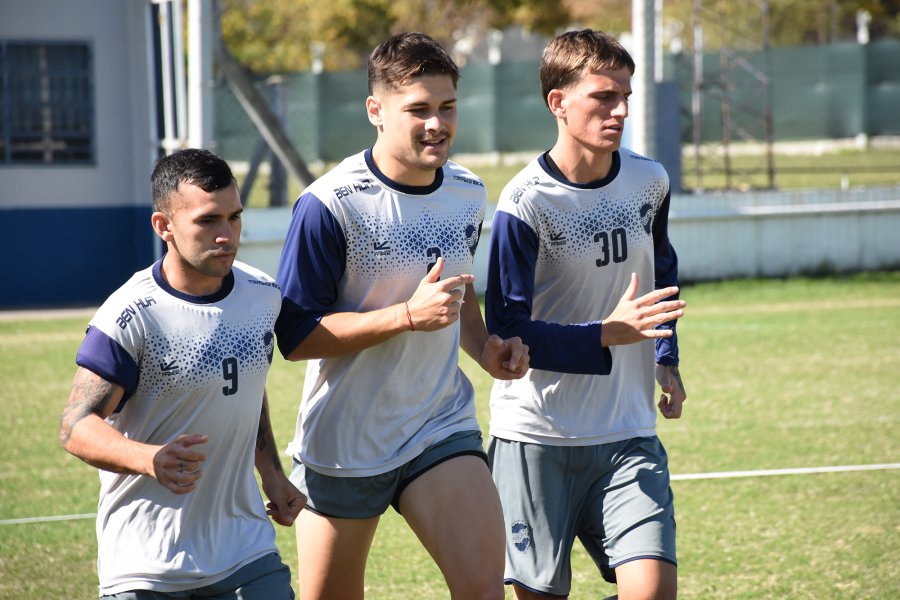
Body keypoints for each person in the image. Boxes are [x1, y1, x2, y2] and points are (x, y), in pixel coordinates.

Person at [273, 32, 529, 600]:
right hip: (344, 443)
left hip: (439, 424)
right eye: (418, 109)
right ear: (376, 111)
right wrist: (404, 317)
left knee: (484, 589)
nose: (436, 124)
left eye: (446, 107)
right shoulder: (330, 204)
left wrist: (484, 346)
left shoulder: (467, 191)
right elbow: (294, 337)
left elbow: (454, 294)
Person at [484, 29, 687, 599]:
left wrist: (665, 357)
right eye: (603, 96)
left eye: (625, 95)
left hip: (628, 432)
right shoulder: (525, 202)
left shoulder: (650, 181)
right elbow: (506, 329)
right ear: (559, 102)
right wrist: (605, 335)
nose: (620, 109)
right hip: (535, 438)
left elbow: (661, 272)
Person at [59, 148, 305, 599]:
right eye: (208, 221)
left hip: (244, 551)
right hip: (146, 565)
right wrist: (149, 459)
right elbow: (76, 427)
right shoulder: (130, 315)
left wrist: (270, 471)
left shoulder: (262, 296)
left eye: (234, 218)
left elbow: (244, 385)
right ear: (164, 226)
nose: (227, 235)